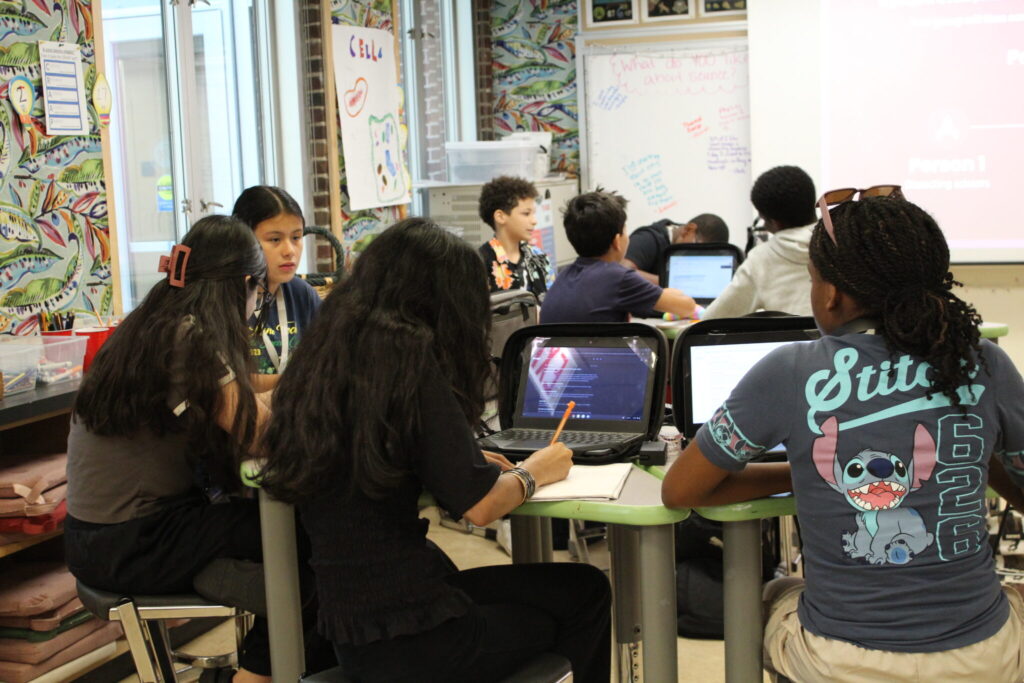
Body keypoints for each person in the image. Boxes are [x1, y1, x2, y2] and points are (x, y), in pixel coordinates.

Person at [662, 192, 1024, 681]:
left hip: (842, 662)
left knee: (772, 593)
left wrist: (798, 470)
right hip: (983, 658)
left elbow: (680, 490)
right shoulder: (986, 361)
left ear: (830, 294)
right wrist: (974, 450)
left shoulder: (792, 368)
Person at [258, 218, 611, 682]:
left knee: (561, 590)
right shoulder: (409, 360)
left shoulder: (326, 356)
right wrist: (537, 471)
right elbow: (481, 507)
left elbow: (378, 448)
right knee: (584, 594)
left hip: (352, 631)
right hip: (419, 640)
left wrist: (452, 455)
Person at [64, 216, 275, 683]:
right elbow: (260, 432)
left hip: (94, 537)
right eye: (259, 293)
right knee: (304, 537)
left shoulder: (145, 326)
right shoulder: (191, 338)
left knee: (267, 530)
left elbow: (240, 403)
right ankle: (253, 674)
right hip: (137, 540)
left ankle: (233, 597)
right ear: (246, 285)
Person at [540, 188, 696, 323]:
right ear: (617, 241)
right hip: (599, 357)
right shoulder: (618, 278)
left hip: (559, 357)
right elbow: (687, 306)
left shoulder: (563, 276)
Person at [702, 165, 817, 319]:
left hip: (791, 342)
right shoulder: (844, 242)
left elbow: (712, 320)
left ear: (775, 222)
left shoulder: (762, 259)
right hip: (846, 342)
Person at [233, 186, 321, 384]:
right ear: (244, 240)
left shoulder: (302, 294)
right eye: (275, 239)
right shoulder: (224, 297)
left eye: (296, 237)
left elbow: (327, 360)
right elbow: (227, 384)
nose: (290, 250)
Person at [477, 175, 553, 300]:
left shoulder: (539, 257)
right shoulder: (480, 263)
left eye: (534, 213)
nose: (534, 221)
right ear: (500, 216)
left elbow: (552, 305)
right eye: (526, 213)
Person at [624, 213, 730, 285]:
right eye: (697, 250)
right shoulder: (648, 238)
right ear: (688, 230)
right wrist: (674, 282)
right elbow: (622, 272)